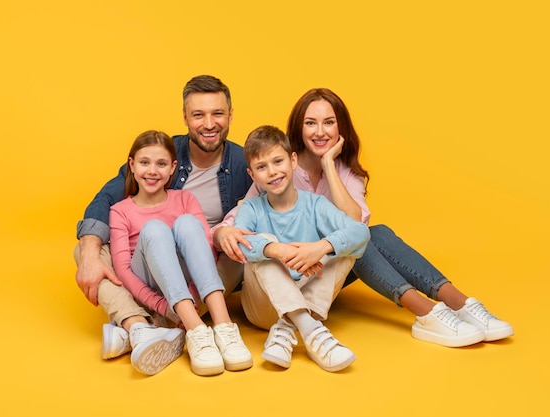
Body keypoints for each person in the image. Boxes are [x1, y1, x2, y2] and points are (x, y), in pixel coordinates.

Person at [214, 88, 514, 348]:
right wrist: (223, 232)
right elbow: (242, 218)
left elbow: (356, 224)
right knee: (364, 237)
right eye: (311, 123)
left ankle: (458, 303)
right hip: (282, 276)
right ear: (299, 130)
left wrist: (329, 165)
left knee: (372, 234)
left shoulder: (345, 171)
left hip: (322, 269)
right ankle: (425, 312)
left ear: (340, 128)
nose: (320, 131)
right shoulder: (276, 170)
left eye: (328, 122)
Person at [74, 75, 253, 375]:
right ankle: (150, 326)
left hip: (208, 264)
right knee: (85, 251)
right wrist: (91, 252)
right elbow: (105, 198)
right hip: (150, 261)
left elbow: (272, 199)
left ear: (230, 115)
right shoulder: (162, 154)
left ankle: (143, 329)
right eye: (198, 115)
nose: (209, 124)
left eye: (217, 113)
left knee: (232, 245)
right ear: (185, 118)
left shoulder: (242, 161)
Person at [109, 130, 252, 376]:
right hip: (150, 287)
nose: (152, 171)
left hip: (187, 286)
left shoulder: (185, 199)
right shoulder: (120, 211)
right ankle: (196, 330)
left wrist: (194, 297)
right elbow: (123, 269)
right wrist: (164, 306)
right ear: (131, 165)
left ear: (173, 168)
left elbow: (206, 251)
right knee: (155, 229)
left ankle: (224, 326)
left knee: (188, 223)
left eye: (161, 164)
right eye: (144, 163)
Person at [233, 125, 370, 372]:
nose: (272, 172)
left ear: (293, 160)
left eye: (278, 161)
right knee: (261, 241)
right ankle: (313, 331)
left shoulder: (315, 204)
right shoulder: (251, 208)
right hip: (263, 308)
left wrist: (320, 248)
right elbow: (243, 244)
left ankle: (290, 327)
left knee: (344, 246)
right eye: (262, 167)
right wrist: (279, 251)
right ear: (252, 175)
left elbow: (360, 232)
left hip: (307, 296)